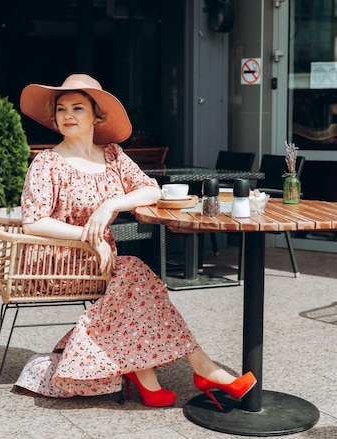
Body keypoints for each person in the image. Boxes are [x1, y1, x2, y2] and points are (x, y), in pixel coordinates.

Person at [14, 73, 256, 408]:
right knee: (137, 275)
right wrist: (90, 238)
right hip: (60, 259)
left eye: (78, 108)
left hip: (103, 260)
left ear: (97, 117)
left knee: (135, 279)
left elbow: (150, 189)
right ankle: (199, 370)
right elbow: (34, 222)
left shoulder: (112, 155)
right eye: (62, 108)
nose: (68, 114)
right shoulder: (47, 162)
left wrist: (110, 205)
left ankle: (152, 379)